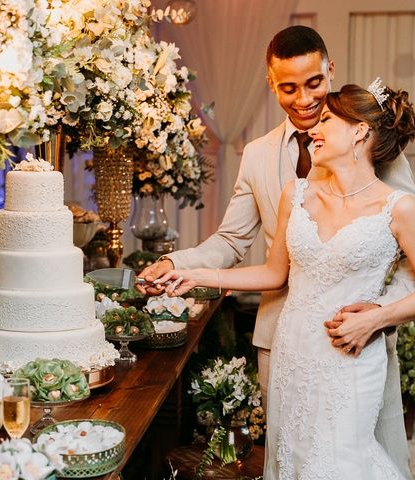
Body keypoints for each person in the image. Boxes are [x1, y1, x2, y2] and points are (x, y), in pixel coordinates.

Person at [137, 25, 415, 477]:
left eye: (313, 84)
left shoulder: (378, 151)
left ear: (330, 71)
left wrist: (376, 313)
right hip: (283, 342)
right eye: (289, 88)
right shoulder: (259, 156)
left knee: (357, 456)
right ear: (272, 83)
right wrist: (180, 265)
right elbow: (233, 243)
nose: (305, 101)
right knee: (290, 458)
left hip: (357, 339)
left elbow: (402, 251)